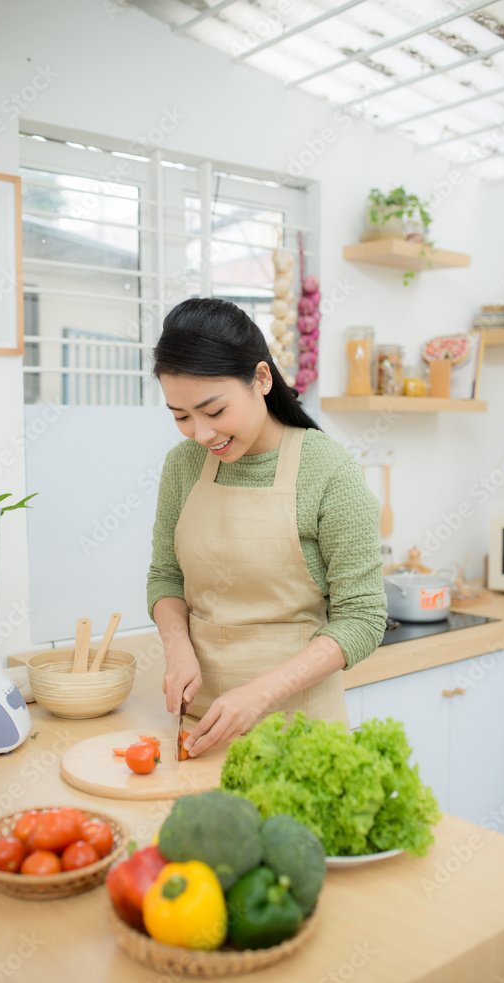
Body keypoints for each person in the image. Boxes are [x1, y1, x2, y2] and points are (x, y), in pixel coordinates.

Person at [146, 298, 387, 758]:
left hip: (302, 735)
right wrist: (177, 647)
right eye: (180, 416)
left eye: (214, 412)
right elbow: (165, 576)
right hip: (200, 726)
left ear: (261, 378)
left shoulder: (329, 470)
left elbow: (363, 619)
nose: (200, 433)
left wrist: (257, 694)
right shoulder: (183, 466)